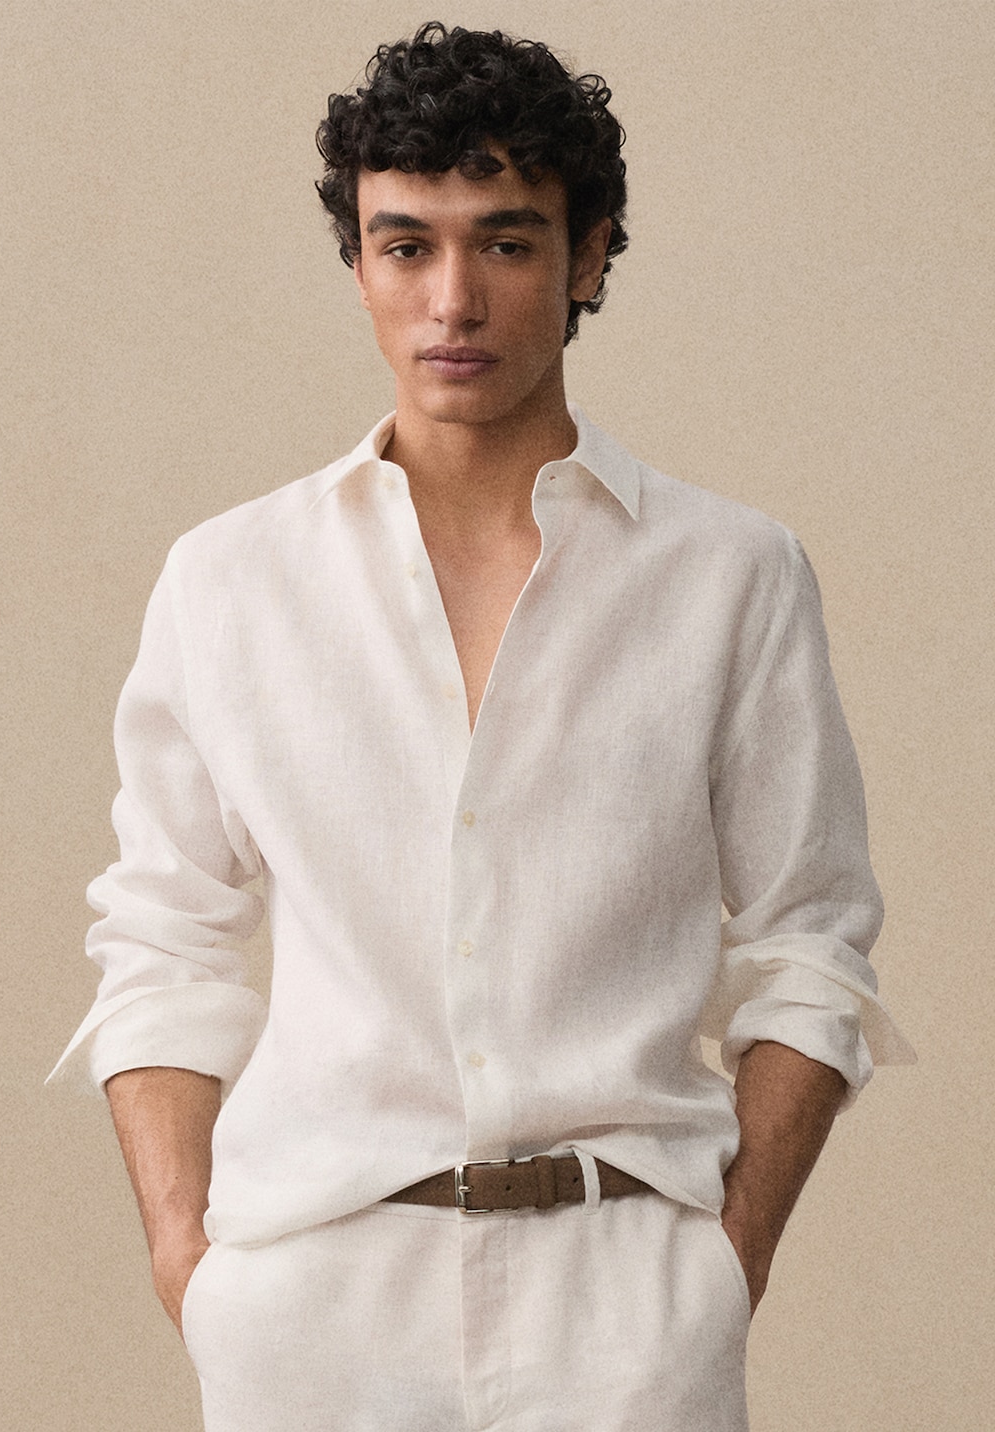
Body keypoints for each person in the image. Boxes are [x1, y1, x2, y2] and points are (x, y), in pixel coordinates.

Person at [51, 22, 911, 1431]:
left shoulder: (730, 575)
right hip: (311, 1304)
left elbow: (812, 937)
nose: (453, 299)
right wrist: (186, 1261)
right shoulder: (231, 581)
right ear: (359, 265)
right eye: (407, 245)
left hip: (628, 1307)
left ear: (588, 257)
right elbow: (160, 935)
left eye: (506, 243)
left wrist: (731, 1256)